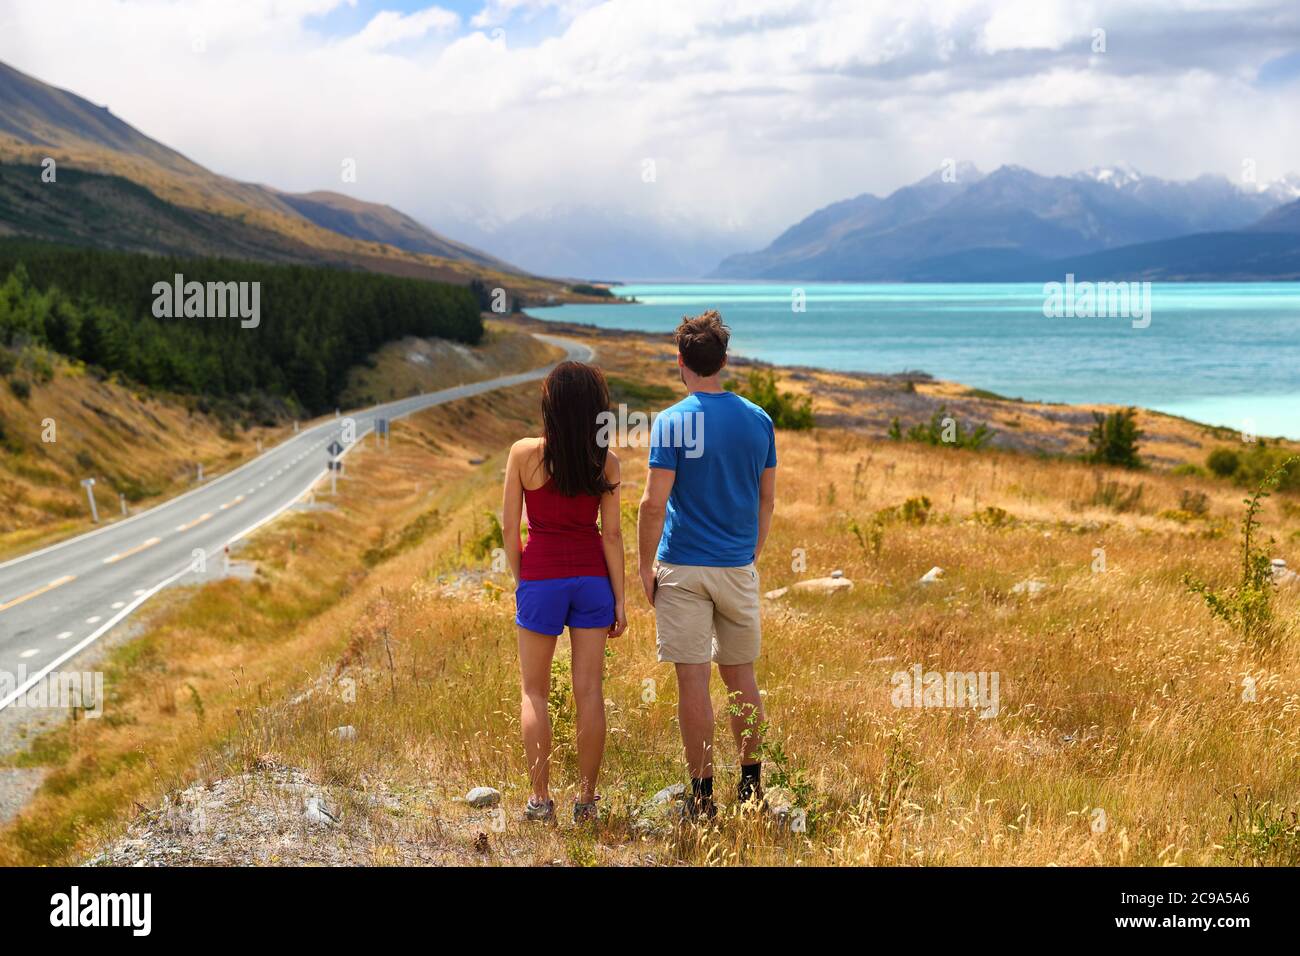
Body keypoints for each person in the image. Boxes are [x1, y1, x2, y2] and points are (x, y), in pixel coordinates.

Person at [637, 310, 777, 820]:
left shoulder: (672, 421)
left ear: (681, 361)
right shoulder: (759, 419)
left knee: (692, 680)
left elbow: (654, 503)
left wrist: (642, 566)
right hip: (736, 567)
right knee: (742, 677)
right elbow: (767, 499)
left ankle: (701, 799)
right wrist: (752, 550)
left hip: (682, 567)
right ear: (723, 359)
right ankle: (752, 789)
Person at [502, 361, 627, 825]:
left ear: (550, 405)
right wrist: (620, 599)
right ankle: (587, 802)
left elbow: (509, 528)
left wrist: (523, 579)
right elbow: (611, 537)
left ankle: (539, 801)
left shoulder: (523, 455)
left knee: (534, 691)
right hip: (593, 580)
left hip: (542, 578)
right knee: (589, 692)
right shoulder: (607, 462)